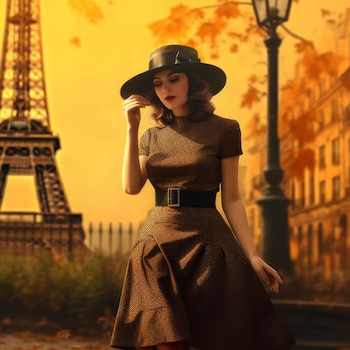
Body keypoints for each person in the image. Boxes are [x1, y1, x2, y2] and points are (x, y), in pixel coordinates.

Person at [110, 45, 296, 350]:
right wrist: (131, 129)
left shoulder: (224, 130)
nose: (165, 89)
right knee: (166, 340)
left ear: (193, 82)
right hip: (156, 244)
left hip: (208, 243)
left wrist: (251, 255)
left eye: (174, 79)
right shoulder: (150, 136)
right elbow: (131, 187)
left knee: (212, 338)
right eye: (158, 84)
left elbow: (232, 198)